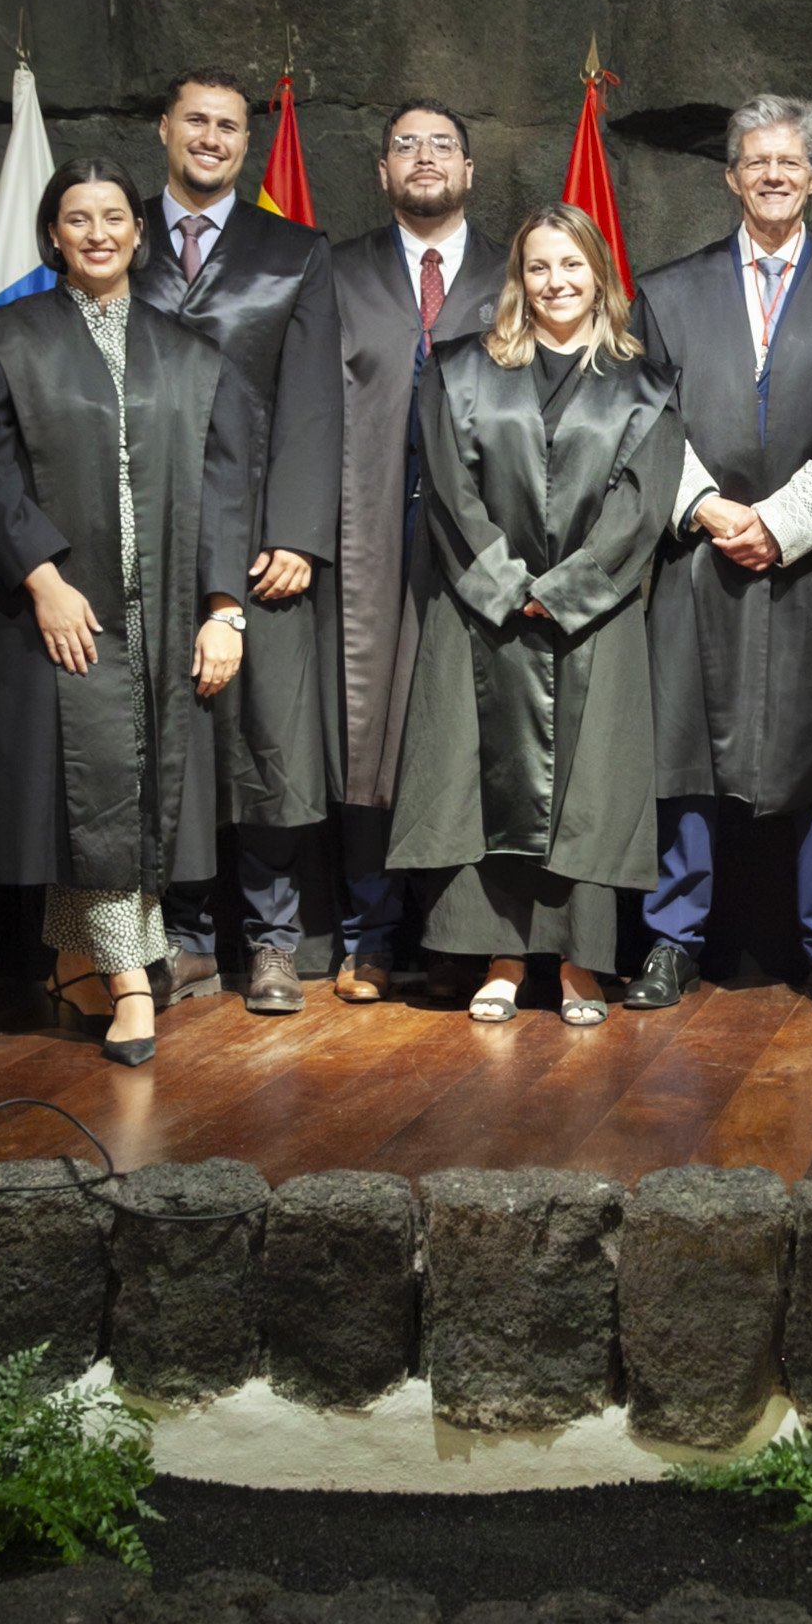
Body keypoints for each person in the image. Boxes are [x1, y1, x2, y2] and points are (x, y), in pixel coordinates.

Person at [0, 159, 248, 1066]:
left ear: (139, 231)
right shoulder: (5, 338)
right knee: (94, 794)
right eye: (77, 218)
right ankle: (132, 983)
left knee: (129, 800)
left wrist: (222, 607)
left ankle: (79, 964)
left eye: (114, 216)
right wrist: (40, 577)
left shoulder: (186, 351)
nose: (98, 232)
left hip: (162, 615)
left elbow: (224, 484)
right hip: (63, 608)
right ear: (52, 234)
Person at [629, 95, 812, 1013]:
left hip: (809, 565)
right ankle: (671, 937)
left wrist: (780, 523)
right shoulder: (668, 293)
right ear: (731, 178)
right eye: (756, 161)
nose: (772, 175)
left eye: (789, 162)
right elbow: (647, 420)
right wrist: (707, 509)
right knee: (684, 751)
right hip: (697, 561)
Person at [389, 206, 687, 1022]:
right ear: (518, 278)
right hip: (483, 611)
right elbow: (448, 492)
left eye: (571, 265)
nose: (556, 282)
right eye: (538, 266)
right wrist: (505, 584)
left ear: (600, 274)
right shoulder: (461, 369)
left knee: (587, 791)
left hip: (594, 618)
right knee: (483, 781)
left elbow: (642, 506)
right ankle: (501, 959)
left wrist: (563, 591)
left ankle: (582, 963)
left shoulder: (645, 384)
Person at [132, 68, 338, 1015]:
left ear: (246, 144)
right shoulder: (115, 231)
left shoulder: (293, 251)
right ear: (163, 129)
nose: (210, 138)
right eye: (195, 121)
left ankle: (272, 940)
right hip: (146, 528)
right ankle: (182, 939)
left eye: (227, 126)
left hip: (260, 537)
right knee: (169, 738)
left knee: (269, 743)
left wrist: (297, 532)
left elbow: (313, 402)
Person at [312, 97, 504, 1001]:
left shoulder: (515, 271)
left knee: (463, 727)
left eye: (442, 144)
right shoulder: (334, 271)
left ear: (469, 170)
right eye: (405, 144)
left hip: (481, 537)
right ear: (382, 170)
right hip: (365, 531)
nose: (424, 156)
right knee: (368, 731)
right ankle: (371, 933)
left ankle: (460, 933)